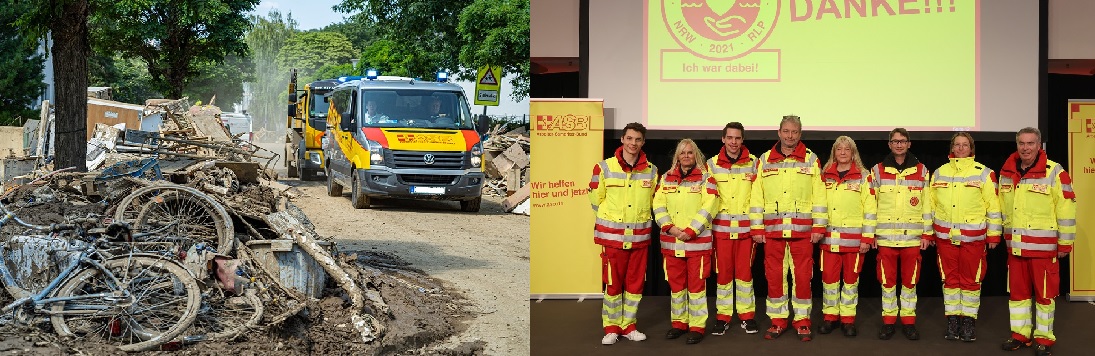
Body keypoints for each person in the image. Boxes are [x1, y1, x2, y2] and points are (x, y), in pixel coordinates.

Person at [748, 115, 827, 341]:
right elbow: (756, 197)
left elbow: (819, 196)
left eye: (794, 132)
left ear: (800, 134)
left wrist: (819, 227)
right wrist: (757, 229)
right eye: (786, 131)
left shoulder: (811, 160)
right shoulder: (765, 160)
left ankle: (802, 322)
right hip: (772, 233)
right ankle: (778, 321)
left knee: (803, 277)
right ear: (779, 132)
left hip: (803, 233)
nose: (789, 136)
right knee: (774, 277)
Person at [998, 127, 1076, 356]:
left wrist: (1065, 243)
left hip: (1044, 249)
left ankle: (1044, 339)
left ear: (1039, 145)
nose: (1025, 148)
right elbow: (1003, 210)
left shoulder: (1055, 172)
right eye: (1021, 143)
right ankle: (1020, 335)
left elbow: (1067, 210)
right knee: (1018, 295)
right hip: (1016, 248)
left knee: (1044, 297)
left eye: (1030, 143)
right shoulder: (1007, 172)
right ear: (1017, 145)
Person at [588, 122, 659, 345]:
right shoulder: (604, 168)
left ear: (643, 142)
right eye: (629, 138)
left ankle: (629, 326)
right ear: (622, 140)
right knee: (613, 285)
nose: (633, 143)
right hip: (612, 239)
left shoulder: (652, 171)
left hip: (639, 240)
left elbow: (654, 203)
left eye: (638, 140)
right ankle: (611, 328)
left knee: (635, 286)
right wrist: (612, 220)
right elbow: (595, 200)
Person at [928, 132, 1002, 342]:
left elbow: (993, 207)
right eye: (957, 145)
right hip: (945, 238)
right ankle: (952, 321)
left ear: (971, 149)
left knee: (971, 281)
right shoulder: (939, 172)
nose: (961, 148)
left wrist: (994, 235)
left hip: (974, 239)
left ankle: (968, 321)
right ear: (952, 148)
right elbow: (930, 206)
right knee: (949, 280)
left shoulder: (984, 173)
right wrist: (929, 232)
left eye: (965, 145)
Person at [869, 128, 932, 341]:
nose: (898, 145)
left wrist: (927, 234)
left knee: (910, 283)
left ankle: (908, 322)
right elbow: (871, 206)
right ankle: (888, 322)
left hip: (912, 239)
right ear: (889, 144)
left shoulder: (922, 171)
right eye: (895, 141)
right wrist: (871, 235)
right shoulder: (876, 171)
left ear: (909, 144)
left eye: (902, 141)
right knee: (887, 283)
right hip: (885, 238)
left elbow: (927, 206)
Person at [653, 139, 718, 345]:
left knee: (697, 288)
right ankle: (679, 323)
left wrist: (691, 231)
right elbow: (657, 205)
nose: (686, 156)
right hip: (671, 244)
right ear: (677, 156)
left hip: (696, 244)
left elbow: (709, 207)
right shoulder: (665, 178)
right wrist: (669, 227)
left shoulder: (707, 179)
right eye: (683, 153)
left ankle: (697, 327)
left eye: (690, 152)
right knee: (677, 286)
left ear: (696, 155)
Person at [817, 136, 877, 338]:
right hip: (828, 241)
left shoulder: (864, 176)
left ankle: (848, 320)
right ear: (834, 152)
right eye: (839, 149)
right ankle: (830, 318)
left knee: (850, 283)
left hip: (854, 243)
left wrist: (867, 238)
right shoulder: (824, 176)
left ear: (853, 153)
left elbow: (870, 210)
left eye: (847, 149)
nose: (843, 153)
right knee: (829, 282)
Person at [705, 122, 761, 336]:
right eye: (730, 138)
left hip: (747, 231)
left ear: (742, 140)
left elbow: (758, 197)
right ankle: (723, 317)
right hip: (721, 231)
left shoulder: (755, 164)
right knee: (723, 275)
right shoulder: (711, 165)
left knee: (745, 274)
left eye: (738, 138)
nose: (734, 142)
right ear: (723, 139)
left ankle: (747, 316)